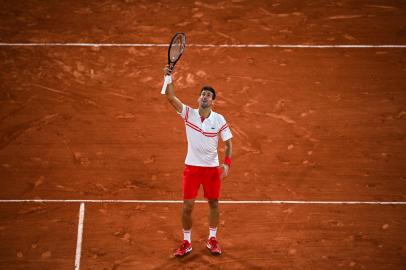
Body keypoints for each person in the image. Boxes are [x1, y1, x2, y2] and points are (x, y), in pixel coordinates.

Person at [162, 65, 233, 257]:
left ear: (213, 101)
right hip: (192, 168)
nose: (205, 96)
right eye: (203, 94)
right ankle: (186, 242)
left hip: (211, 170)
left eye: (209, 95)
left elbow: (228, 143)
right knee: (187, 206)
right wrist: (167, 77)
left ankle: (212, 239)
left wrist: (226, 163)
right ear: (198, 98)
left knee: (214, 204)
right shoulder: (189, 114)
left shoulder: (219, 119)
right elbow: (170, 97)